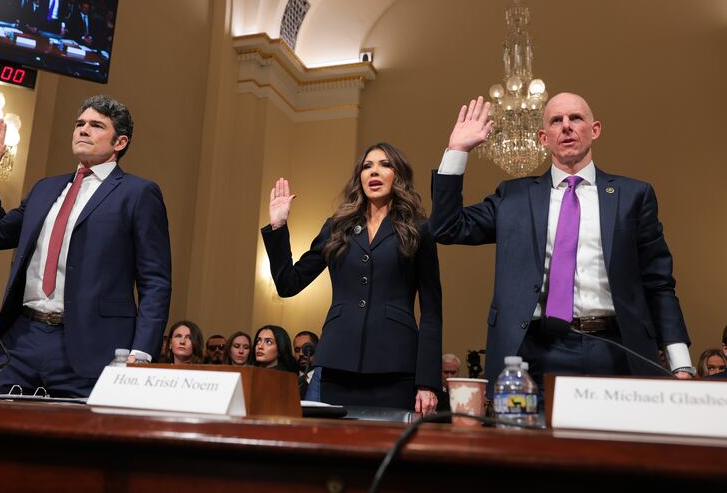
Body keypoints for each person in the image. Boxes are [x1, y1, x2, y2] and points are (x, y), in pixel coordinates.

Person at [429, 94, 694, 397]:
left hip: (619, 348)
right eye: (556, 120)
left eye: (576, 118)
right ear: (544, 137)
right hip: (537, 353)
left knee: (618, 445)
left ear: (595, 130)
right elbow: (446, 227)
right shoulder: (513, 198)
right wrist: (457, 150)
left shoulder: (634, 196)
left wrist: (680, 365)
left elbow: (658, 283)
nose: (566, 126)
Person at [0, 95, 172, 397]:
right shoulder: (45, 189)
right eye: (79, 124)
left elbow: (155, 281)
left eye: (96, 125)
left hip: (90, 345)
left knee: (74, 440)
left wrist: (142, 350)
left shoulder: (138, 193)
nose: (83, 130)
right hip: (22, 340)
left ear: (120, 142)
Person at [262, 142, 442, 414]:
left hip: (396, 365)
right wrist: (278, 225)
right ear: (359, 177)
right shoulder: (336, 227)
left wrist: (427, 381)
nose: (374, 172)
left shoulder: (418, 229)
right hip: (338, 362)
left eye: (384, 165)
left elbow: (431, 312)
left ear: (398, 176)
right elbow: (288, 283)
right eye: (367, 166)